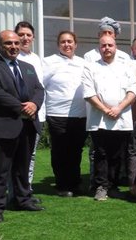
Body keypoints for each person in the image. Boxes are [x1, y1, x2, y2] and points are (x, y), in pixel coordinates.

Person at [0, 30, 45, 223]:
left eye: (16, 43)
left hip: (28, 126)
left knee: (22, 168)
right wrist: (22, 108)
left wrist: (35, 104)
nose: (14, 47)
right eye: (8, 43)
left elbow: (39, 89)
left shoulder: (28, 67)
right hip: (3, 126)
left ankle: (22, 200)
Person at [83, 35, 136, 201]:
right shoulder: (90, 67)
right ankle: (101, 186)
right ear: (99, 48)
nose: (107, 48)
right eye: (103, 45)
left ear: (115, 47)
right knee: (100, 153)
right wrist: (106, 110)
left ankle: (113, 186)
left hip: (120, 118)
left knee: (117, 155)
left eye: (110, 45)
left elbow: (133, 90)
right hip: (98, 118)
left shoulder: (126, 67)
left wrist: (118, 108)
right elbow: (88, 93)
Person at [42, 31, 87, 197]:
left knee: (76, 151)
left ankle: (75, 183)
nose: (67, 45)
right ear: (58, 44)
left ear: (76, 44)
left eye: (70, 41)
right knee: (60, 150)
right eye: (63, 42)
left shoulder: (83, 63)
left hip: (80, 115)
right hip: (57, 114)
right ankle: (62, 184)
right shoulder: (49, 62)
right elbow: (41, 85)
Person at [14, 21, 44, 193]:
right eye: (21, 34)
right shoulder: (12, 57)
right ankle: (12, 190)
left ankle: (26, 189)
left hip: (35, 115)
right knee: (14, 155)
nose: (25, 38)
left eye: (28, 35)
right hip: (17, 115)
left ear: (33, 38)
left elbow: (40, 87)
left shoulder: (35, 59)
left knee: (30, 155)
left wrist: (36, 107)